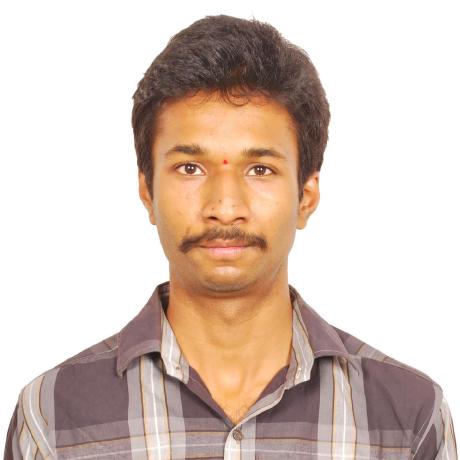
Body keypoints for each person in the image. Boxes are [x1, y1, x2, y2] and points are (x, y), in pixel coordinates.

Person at [3, 14, 457, 460]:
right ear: (147, 192)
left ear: (306, 196)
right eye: (190, 168)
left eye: (260, 169)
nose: (224, 206)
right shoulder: (54, 419)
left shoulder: (407, 421)